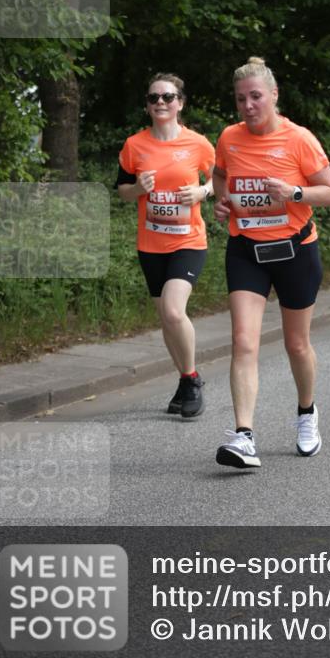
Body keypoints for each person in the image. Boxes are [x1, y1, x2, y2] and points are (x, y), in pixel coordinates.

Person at [211, 57, 330, 469]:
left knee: (296, 344)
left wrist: (293, 193)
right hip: (246, 251)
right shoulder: (229, 137)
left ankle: (306, 412)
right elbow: (219, 175)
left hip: (295, 252)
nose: (248, 106)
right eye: (240, 99)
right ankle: (244, 436)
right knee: (243, 341)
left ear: (273, 95)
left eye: (255, 97)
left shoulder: (299, 139)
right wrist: (222, 201)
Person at [117, 73, 214, 417]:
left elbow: (222, 177)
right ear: (147, 105)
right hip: (151, 244)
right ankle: (185, 381)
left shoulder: (197, 144)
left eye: (168, 97)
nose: (160, 102)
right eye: (153, 97)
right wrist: (137, 189)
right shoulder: (134, 145)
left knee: (173, 311)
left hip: (188, 241)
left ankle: (191, 380)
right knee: (166, 318)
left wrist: (202, 191)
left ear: (180, 103)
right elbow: (122, 190)